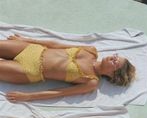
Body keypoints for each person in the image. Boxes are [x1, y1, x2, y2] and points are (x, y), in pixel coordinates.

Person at [0, 34, 136, 102]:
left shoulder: (91, 82)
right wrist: (26, 39)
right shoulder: (91, 51)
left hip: (29, 70)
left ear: (113, 75)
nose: (114, 57)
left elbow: (59, 93)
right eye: (116, 56)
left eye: (116, 62)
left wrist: (28, 97)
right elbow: (55, 45)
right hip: (32, 49)